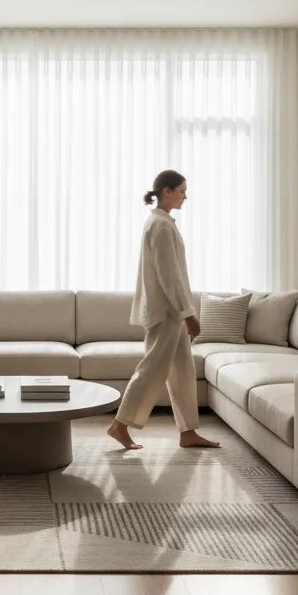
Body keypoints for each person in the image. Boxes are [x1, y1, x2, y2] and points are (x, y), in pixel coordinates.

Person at [107, 169, 220, 451]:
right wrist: (189, 313)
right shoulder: (160, 226)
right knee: (152, 369)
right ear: (166, 191)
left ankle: (188, 432)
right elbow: (169, 276)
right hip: (166, 313)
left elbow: (173, 274)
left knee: (182, 371)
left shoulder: (163, 223)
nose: (185, 196)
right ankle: (119, 425)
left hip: (170, 313)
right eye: (182, 190)